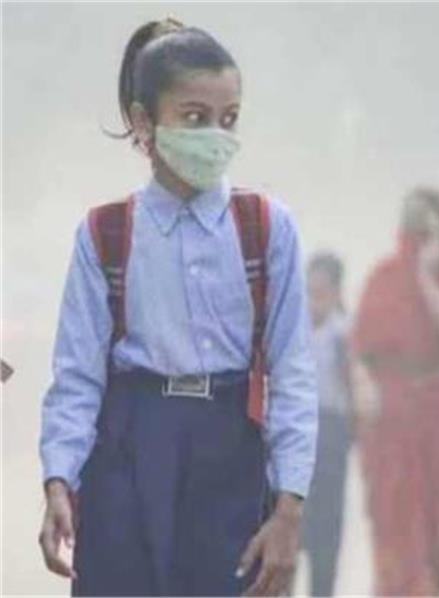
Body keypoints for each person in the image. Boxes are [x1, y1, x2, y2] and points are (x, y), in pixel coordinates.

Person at [38, 19, 318, 596]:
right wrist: (59, 480)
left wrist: (289, 507)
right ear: (144, 123)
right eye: (194, 117)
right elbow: (78, 377)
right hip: (128, 453)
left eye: (228, 118)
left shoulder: (265, 228)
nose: (215, 135)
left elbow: (293, 373)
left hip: (230, 455)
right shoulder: (106, 234)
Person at [351, 187, 439, 596]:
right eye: (412, 225)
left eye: (427, 227)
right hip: (389, 418)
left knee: (434, 528)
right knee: (391, 526)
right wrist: (363, 388)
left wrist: (425, 276)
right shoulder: (382, 277)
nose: (416, 235)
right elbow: (356, 350)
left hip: (438, 412)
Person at [299, 252, 353, 596]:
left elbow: (355, 392)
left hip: (331, 436)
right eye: (309, 291)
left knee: (325, 540)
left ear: (335, 294)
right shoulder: (294, 329)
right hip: (298, 434)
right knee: (289, 533)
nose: (313, 301)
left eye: (320, 293)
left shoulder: (344, 334)